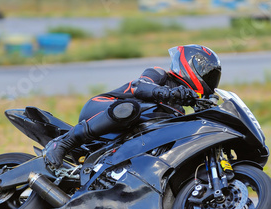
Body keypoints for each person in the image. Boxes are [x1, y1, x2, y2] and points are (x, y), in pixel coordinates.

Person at [44, 44, 222, 168]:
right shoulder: (160, 75)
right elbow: (139, 86)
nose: (210, 79)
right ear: (190, 64)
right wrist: (167, 93)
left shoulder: (179, 110)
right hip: (102, 108)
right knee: (130, 109)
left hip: (120, 132)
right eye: (208, 73)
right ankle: (63, 143)